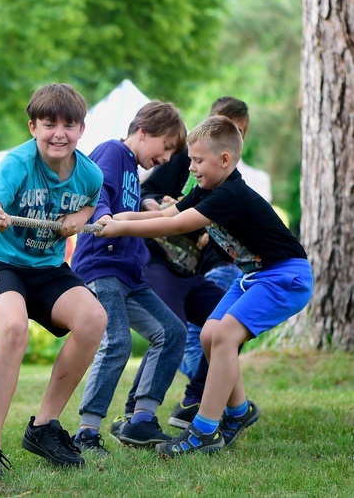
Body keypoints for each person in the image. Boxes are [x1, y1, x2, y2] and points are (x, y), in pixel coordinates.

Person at [98, 115, 312, 456]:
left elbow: (177, 224)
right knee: (212, 334)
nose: (191, 167)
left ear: (224, 160)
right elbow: (167, 214)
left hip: (285, 276)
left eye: (197, 161)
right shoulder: (206, 189)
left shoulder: (230, 194)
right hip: (253, 276)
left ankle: (204, 431)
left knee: (224, 336)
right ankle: (240, 411)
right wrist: (119, 218)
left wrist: (121, 229)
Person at [0, 83, 107, 477]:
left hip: (46, 267)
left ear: (81, 129)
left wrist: (80, 219)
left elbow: (92, 202)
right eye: (49, 124)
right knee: (12, 329)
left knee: (94, 319)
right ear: (33, 127)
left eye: (68, 124)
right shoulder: (17, 164)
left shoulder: (90, 173)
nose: (58, 133)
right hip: (0, 263)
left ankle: (44, 427)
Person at [115, 97, 256, 434]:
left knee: (229, 325)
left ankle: (195, 400)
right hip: (161, 261)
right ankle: (137, 414)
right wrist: (157, 208)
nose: (232, 135)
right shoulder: (186, 160)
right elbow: (151, 194)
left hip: (194, 270)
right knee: (173, 327)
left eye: (239, 132)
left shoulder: (230, 179)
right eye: (226, 126)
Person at [71, 101, 187, 454]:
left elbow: (130, 212)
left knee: (172, 332)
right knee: (118, 341)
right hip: (101, 267)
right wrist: (105, 217)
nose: (167, 158)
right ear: (144, 131)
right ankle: (87, 430)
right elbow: (97, 192)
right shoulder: (113, 151)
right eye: (166, 147)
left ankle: (141, 420)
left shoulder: (135, 175)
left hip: (129, 274)